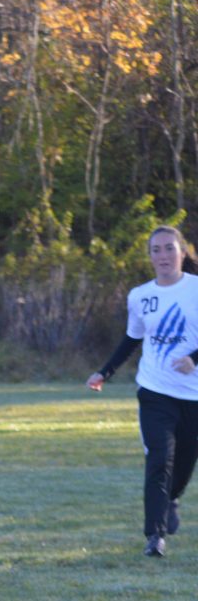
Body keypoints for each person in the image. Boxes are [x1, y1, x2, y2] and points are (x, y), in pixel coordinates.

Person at [87, 224, 198, 557]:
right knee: (159, 459)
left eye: (168, 248)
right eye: (156, 250)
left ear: (181, 252)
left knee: (185, 462)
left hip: (193, 395)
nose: (162, 255)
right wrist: (104, 371)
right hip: (154, 391)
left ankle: (172, 499)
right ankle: (155, 535)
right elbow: (132, 338)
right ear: (149, 257)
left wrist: (193, 358)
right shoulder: (140, 296)